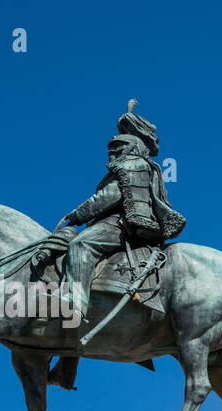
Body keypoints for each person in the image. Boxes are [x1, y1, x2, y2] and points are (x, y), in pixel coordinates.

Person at [59, 101, 186, 322]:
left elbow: (107, 197)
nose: (111, 156)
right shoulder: (140, 165)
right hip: (119, 223)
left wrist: (76, 215)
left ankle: (74, 305)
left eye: (116, 150)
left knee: (81, 244)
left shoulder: (131, 165)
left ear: (130, 148)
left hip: (119, 224)